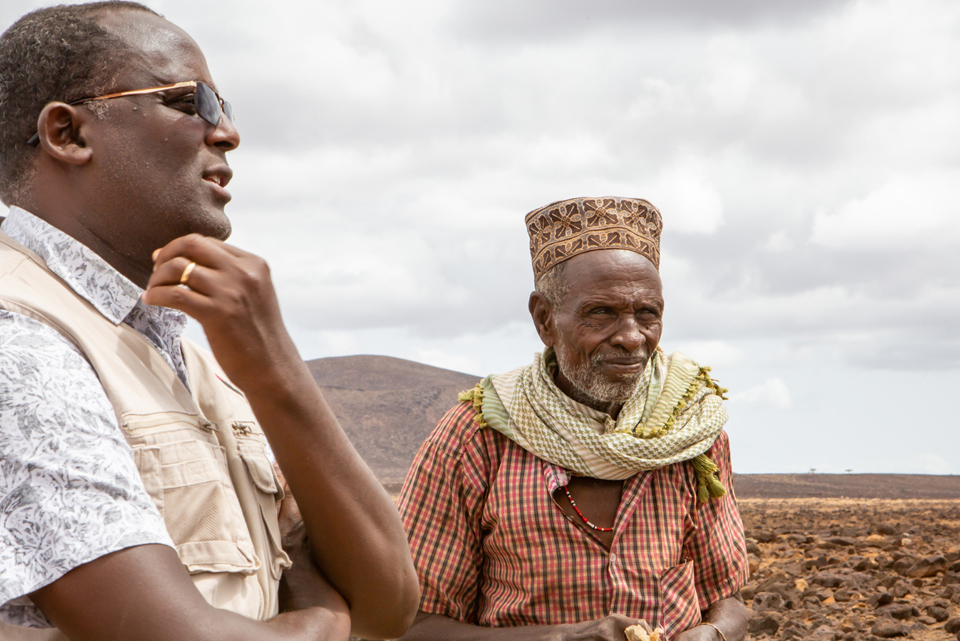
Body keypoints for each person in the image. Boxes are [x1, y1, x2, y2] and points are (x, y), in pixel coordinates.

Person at [0, 3, 419, 640]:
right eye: (188, 101)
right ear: (68, 134)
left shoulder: (181, 351)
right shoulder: (19, 336)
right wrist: (329, 620)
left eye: (224, 108)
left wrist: (274, 368)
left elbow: (388, 604)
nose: (225, 133)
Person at [397, 197, 750, 641]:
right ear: (545, 319)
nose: (630, 337)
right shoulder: (477, 437)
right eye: (601, 312)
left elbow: (729, 598)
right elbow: (411, 625)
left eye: (647, 314)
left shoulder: (691, 430)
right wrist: (561, 639)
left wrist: (712, 634)